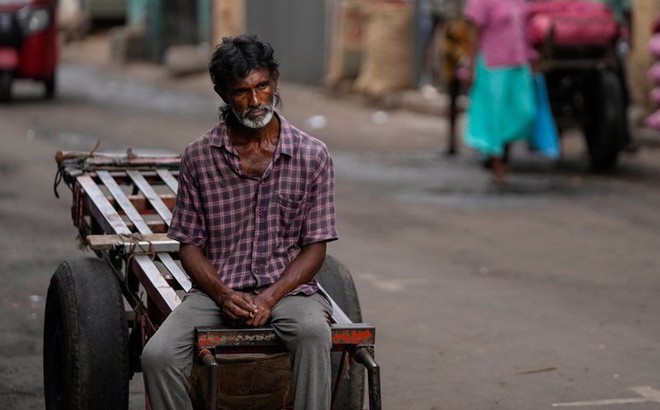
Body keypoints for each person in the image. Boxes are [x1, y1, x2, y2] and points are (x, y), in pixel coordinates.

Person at [141, 34, 338, 410]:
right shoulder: (199, 156)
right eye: (241, 92)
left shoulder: (313, 155)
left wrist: (269, 297)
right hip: (216, 293)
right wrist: (222, 294)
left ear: (275, 81)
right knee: (157, 356)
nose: (254, 101)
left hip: (287, 293)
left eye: (262, 87)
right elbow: (190, 246)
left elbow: (316, 247)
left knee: (314, 333)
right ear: (222, 94)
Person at [462, 0, 536, 184]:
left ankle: (496, 148)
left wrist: (532, 56)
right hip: (493, 65)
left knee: (525, 111)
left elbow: (526, 29)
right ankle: (497, 163)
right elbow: (474, 32)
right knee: (495, 116)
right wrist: (470, 67)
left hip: (519, 62)